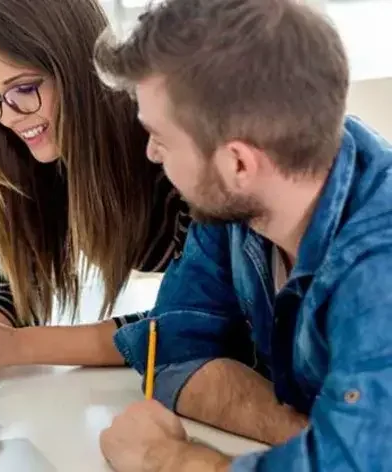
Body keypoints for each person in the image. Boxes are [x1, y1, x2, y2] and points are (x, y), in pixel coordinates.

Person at [92, 0, 392, 471]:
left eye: (161, 137)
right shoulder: (238, 205)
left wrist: (167, 459)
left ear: (238, 163)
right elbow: (174, 346)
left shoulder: (380, 267)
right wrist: (318, 440)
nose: (151, 153)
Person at [0, 0, 191, 370]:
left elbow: (190, 322)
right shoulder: (43, 155)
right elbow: (19, 288)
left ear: (79, 71)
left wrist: (22, 347)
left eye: (24, 88)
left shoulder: (171, 148)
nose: (9, 116)